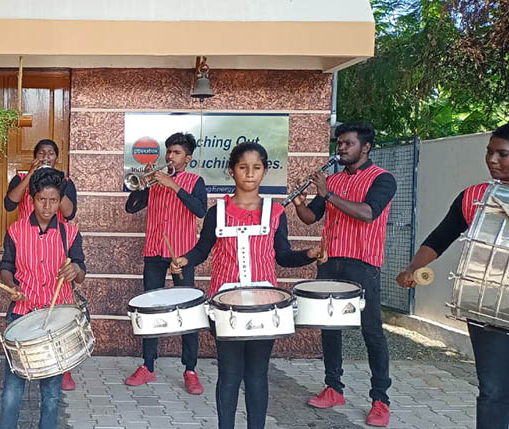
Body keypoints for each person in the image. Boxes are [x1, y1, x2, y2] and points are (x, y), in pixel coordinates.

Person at [172, 142, 322, 429]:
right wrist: (183, 259)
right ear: (232, 171)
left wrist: (309, 254)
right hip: (225, 305)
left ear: (265, 171)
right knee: (228, 373)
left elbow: (284, 256)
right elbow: (202, 250)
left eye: (256, 168)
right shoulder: (217, 212)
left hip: (265, 306)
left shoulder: (275, 212)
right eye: (243, 167)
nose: (249, 174)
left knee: (256, 374)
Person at [396, 124, 509, 429]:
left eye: (502, 154)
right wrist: (412, 268)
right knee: (494, 391)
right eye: (489, 151)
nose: (492, 159)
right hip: (488, 312)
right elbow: (440, 237)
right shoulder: (474, 197)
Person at [291, 122, 396, 427]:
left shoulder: (383, 180)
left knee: (371, 331)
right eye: (339, 143)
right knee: (329, 328)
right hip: (330, 261)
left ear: (366, 147)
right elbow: (311, 218)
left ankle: (380, 399)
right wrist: (299, 202)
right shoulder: (334, 179)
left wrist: (329, 193)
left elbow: (367, 213)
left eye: (348, 143)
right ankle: (334, 387)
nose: (341, 148)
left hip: (363, 263)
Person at [0, 167, 86, 429]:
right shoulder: (15, 231)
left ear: (61, 200)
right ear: (32, 199)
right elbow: (6, 266)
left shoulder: (70, 232)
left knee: (51, 392)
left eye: (53, 200)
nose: (47, 207)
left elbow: (80, 271)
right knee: (13, 388)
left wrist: (75, 270)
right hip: (22, 314)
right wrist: (10, 284)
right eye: (41, 200)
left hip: (56, 319)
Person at [123, 133, 208, 392]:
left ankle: (190, 369)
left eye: (177, 152)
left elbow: (201, 210)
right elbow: (131, 208)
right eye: (169, 151)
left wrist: (174, 186)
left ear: (188, 158)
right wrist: (145, 185)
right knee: (149, 308)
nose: (170, 156)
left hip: (181, 255)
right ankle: (148, 366)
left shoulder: (195, 181)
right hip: (153, 253)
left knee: (188, 311)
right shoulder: (155, 183)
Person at [4, 138, 79, 389]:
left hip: (54, 240)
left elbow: (68, 213)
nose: (46, 156)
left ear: (57, 158)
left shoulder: (65, 182)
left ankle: (62, 367)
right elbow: (9, 203)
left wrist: (56, 185)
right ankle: (23, 369)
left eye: (50, 153)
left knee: (57, 313)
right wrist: (32, 175)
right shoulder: (21, 178)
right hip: (26, 242)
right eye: (41, 153)